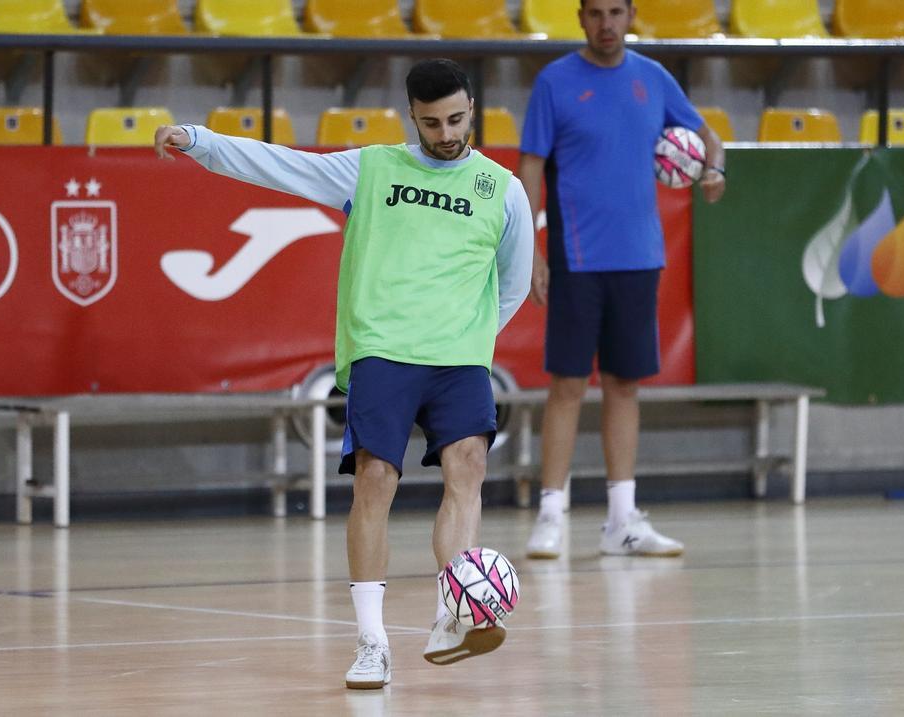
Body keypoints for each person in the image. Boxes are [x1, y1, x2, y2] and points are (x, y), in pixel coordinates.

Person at [155, 59, 534, 689]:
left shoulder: (504, 189)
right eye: (433, 122)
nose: (447, 133)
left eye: (458, 119)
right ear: (411, 116)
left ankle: (454, 611)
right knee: (375, 480)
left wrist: (469, 335)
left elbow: (515, 284)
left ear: (474, 108)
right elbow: (280, 166)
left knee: (468, 465)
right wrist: (201, 141)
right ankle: (372, 641)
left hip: (460, 357)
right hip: (382, 349)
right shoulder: (372, 168)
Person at [518, 0, 726, 560]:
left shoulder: (654, 79)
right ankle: (551, 514)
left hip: (639, 258)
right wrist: (531, 249)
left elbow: (710, 139)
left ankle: (622, 522)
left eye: (616, 11)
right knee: (566, 386)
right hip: (576, 257)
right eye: (595, 13)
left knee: (625, 386)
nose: (606, 23)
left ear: (631, 15)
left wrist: (715, 170)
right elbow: (531, 167)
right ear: (580, 18)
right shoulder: (555, 82)